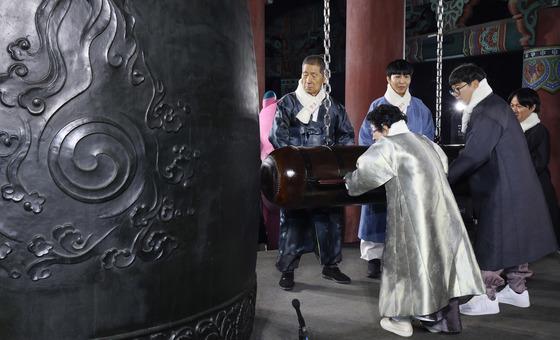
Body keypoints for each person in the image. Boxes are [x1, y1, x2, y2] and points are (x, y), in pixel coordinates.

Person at [344, 104, 485, 337]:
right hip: (442, 212)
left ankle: (400, 318)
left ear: (385, 127)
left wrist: (348, 181)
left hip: (412, 214)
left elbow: (363, 177)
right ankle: (436, 318)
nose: (374, 136)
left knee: (407, 261)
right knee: (438, 259)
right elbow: (444, 166)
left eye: (375, 131)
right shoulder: (425, 141)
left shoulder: (389, 146)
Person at [447, 63, 558, 316]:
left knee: (493, 238)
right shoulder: (497, 105)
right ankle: (518, 290)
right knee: (515, 238)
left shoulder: (486, 110)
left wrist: (444, 177)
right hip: (518, 186)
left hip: (500, 187)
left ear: (475, 84)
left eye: (458, 89)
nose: (457, 95)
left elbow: (475, 154)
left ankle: (486, 296)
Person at [269, 55, 354, 290]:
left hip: (325, 175)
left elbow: (347, 134)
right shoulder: (287, 103)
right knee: (293, 221)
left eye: (313, 75)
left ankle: (331, 266)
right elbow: (277, 135)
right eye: (305, 74)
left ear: (324, 77)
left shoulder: (333, 107)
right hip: (297, 175)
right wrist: (295, 159)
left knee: (330, 220)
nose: (308, 79)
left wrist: (336, 159)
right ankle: (287, 270)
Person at [357, 59, 435, 279]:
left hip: (411, 171)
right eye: (397, 76)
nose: (402, 81)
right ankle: (373, 258)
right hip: (383, 170)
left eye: (406, 76)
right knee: (376, 213)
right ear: (388, 79)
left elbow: (427, 137)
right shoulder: (376, 106)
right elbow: (366, 137)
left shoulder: (420, 107)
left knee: (407, 216)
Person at [508, 88, 560, 245]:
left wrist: (519, 174)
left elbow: (541, 161)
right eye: (511, 105)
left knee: (545, 221)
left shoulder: (539, 130)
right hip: (518, 182)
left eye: (519, 106)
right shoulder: (512, 129)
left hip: (536, 183)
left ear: (531, 108)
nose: (514, 110)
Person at [259, 90, 279, 249]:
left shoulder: (260, 117)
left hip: (265, 169)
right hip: (287, 168)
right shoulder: (283, 112)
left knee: (268, 213)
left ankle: (270, 243)